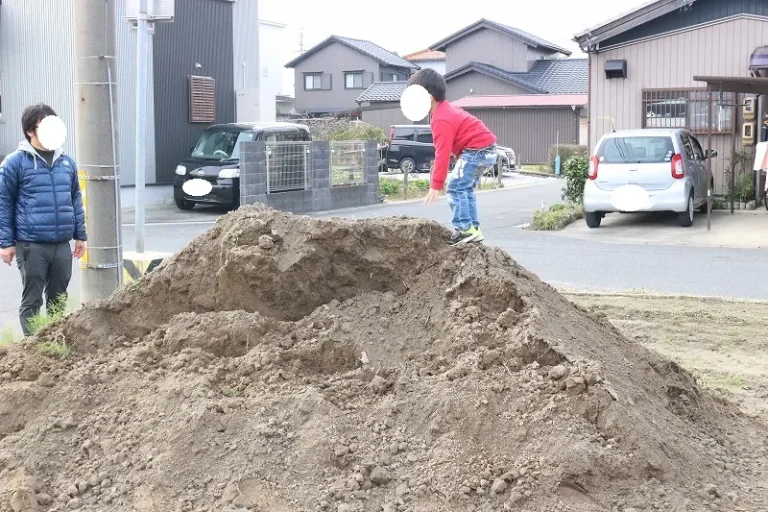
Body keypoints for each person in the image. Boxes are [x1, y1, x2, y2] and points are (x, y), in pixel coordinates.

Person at [0, 104, 87, 335]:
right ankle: (32, 347)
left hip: (62, 244)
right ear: (30, 130)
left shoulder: (67, 162)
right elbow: (4, 204)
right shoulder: (15, 162)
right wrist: (6, 243)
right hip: (31, 244)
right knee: (32, 300)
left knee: (59, 298)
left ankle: (54, 341)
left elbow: (75, 199)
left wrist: (80, 236)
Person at [409, 68, 498, 245]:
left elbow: (442, 153)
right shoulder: (447, 110)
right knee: (465, 189)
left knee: (455, 188)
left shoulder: (441, 118)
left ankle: (465, 229)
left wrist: (436, 185)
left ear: (429, 97)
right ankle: (473, 230)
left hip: (477, 151)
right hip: (486, 149)